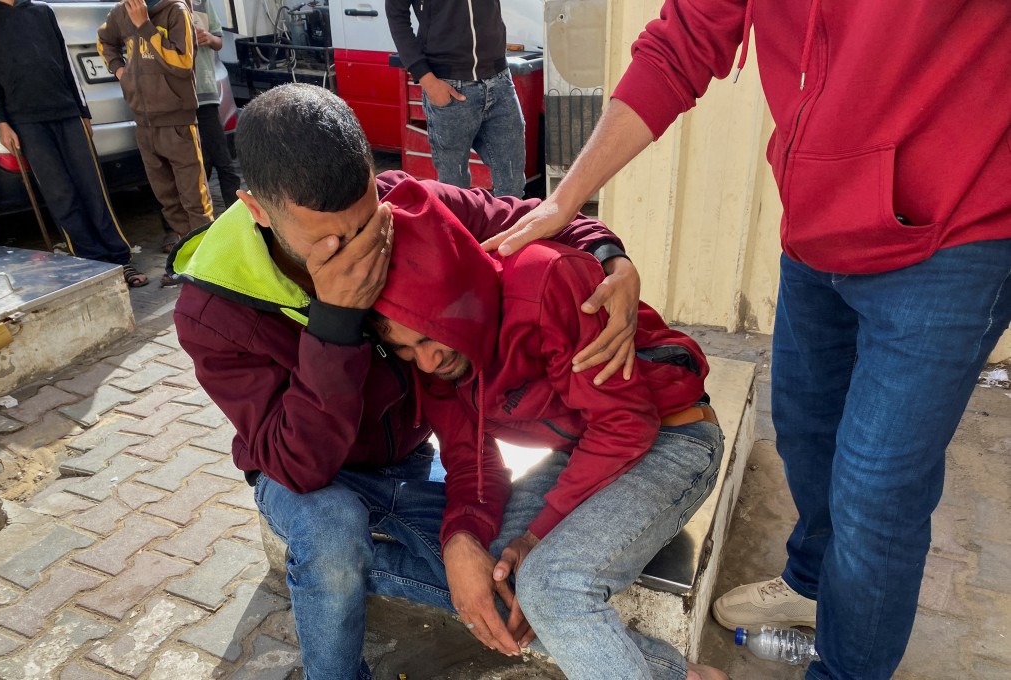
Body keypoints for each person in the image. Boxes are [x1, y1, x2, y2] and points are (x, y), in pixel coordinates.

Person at [478, 3, 1011, 679]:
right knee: (805, 431)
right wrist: (567, 201)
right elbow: (682, 43)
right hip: (819, 224)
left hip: (956, 232)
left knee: (877, 490)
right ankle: (814, 585)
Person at [166, 83, 642, 679]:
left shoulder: (401, 205)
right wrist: (335, 322)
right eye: (327, 242)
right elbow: (298, 463)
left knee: (495, 573)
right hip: (303, 478)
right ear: (258, 210)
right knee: (335, 534)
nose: (358, 251)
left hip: (409, 461)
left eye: (367, 224)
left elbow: (530, 220)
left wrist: (608, 257)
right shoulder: (212, 313)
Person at [367, 177, 727, 680]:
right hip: (584, 448)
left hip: (674, 438)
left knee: (552, 586)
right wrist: (460, 539)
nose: (426, 361)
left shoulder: (544, 281)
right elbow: (470, 460)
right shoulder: (438, 368)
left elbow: (626, 422)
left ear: (456, 293)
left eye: (431, 335)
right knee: (505, 579)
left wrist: (538, 534)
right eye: (406, 350)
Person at [0, 0, 148, 286]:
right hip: (25, 121)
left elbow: (65, 62)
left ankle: (120, 259)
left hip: (67, 111)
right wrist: (1, 121)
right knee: (60, 194)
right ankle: (90, 263)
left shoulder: (41, 11)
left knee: (92, 186)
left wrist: (83, 110)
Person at [98, 0, 214, 255]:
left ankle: (209, 260)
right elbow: (104, 41)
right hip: (143, 123)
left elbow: (183, 63)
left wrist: (145, 27)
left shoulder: (175, 11)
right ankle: (188, 256)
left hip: (178, 123)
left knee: (194, 200)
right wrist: (120, 71)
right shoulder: (120, 12)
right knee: (168, 200)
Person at [386, 0, 525, 198]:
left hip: (499, 80)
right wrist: (427, 79)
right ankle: (460, 230)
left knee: (513, 186)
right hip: (448, 85)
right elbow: (395, 14)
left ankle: (511, 229)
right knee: (454, 191)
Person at [190, 0, 241, 213]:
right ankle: (197, 220)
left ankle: (237, 216)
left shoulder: (202, 3)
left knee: (223, 160)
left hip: (205, 93)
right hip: (174, 99)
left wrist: (209, 38)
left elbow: (218, 41)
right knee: (194, 165)